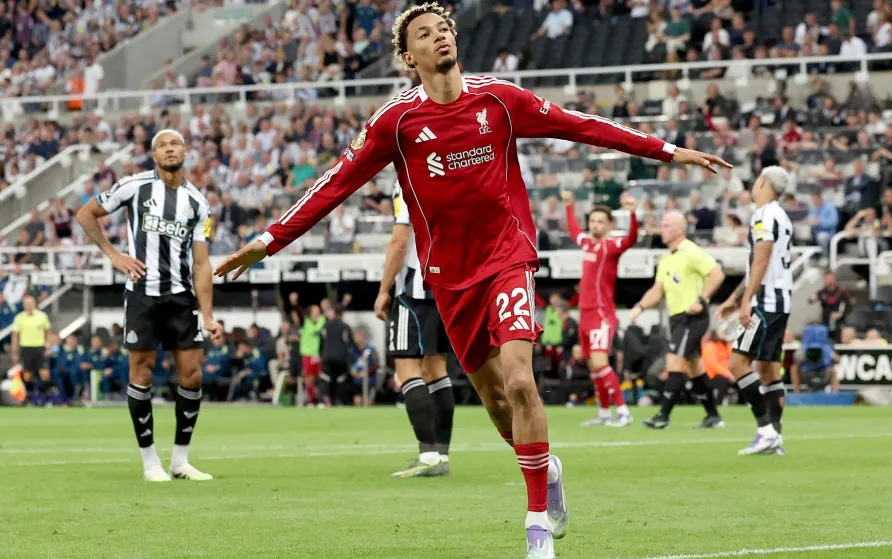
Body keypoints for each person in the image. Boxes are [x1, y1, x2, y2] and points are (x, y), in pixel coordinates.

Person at [214, 4, 729, 556]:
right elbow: (334, 184)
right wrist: (268, 242)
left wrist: (668, 151)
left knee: (520, 380)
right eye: (424, 35)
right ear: (409, 57)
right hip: (448, 279)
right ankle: (545, 467)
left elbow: (582, 126)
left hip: (508, 258)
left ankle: (535, 526)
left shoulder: (500, 100)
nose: (439, 38)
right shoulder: (396, 122)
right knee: (494, 401)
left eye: (443, 29)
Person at [76, 129, 223, 483]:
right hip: (142, 293)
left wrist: (208, 314)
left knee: (193, 374)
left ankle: (180, 461)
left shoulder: (198, 202)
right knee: (141, 372)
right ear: (154, 154)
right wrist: (114, 255)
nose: (170, 149)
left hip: (182, 296)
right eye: (163, 145)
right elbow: (86, 214)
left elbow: (202, 263)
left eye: (175, 144)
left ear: (185, 151)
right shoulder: (134, 185)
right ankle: (149, 462)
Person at [375, 181, 456, 477]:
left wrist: (384, 289)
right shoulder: (445, 169)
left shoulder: (408, 179)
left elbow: (400, 241)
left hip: (416, 290)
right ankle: (442, 456)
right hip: (449, 285)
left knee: (407, 369)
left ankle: (429, 454)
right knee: (436, 370)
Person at [715, 166, 793, 456]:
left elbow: (761, 259)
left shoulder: (764, 214)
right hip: (780, 300)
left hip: (766, 302)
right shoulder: (780, 215)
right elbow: (758, 265)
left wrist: (747, 301)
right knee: (769, 368)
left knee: (737, 363)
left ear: (763, 182)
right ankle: (775, 438)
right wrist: (736, 297)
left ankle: (766, 432)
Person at [629, 213, 726, 429]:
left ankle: (663, 415)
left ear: (679, 230)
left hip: (692, 317)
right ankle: (713, 415)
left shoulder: (691, 251)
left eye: (666, 225)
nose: (661, 229)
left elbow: (717, 274)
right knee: (694, 367)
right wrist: (640, 306)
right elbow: (658, 290)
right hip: (677, 318)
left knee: (674, 360)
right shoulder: (666, 259)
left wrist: (701, 299)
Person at [560, 190, 637, 427]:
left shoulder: (610, 246)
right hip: (585, 313)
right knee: (593, 365)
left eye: (600, 221)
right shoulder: (586, 244)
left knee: (601, 363)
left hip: (602, 313)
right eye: (592, 221)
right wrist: (570, 207)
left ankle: (623, 411)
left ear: (610, 224)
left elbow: (630, 239)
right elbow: (574, 231)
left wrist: (632, 215)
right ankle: (604, 413)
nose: (595, 225)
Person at [11, 295, 51, 403]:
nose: (28, 305)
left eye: (30, 303)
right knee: (27, 376)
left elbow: (48, 333)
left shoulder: (42, 316)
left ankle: (44, 397)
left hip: (39, 348)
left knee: (45, 374)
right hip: (26, 348)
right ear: (23, 305)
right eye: (26, 303)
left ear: (34, 304)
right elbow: (15, 336)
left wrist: (48, 346)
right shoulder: (19, 318)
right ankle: (29, 398)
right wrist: (14, 352)